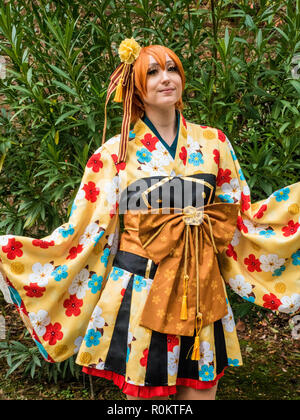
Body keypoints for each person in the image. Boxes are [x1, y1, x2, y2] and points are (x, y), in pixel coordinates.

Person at [0, 39, 299, 401]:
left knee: (200, 394)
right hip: (140, 290)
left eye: (172, 69)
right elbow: (85, 232)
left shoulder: (214, 143)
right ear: (136, 88)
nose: (165, 78)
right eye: (153, 72)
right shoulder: (114, 154)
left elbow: (241, 219)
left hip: (200, 288)